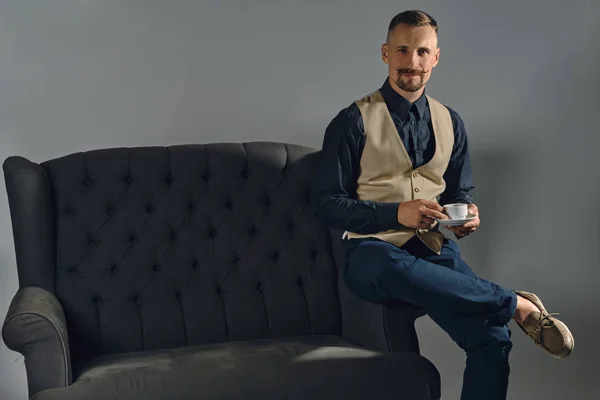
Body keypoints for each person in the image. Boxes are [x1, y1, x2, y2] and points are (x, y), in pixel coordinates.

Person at [310, 9, 574, 400]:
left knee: (492, 337)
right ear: (385, 53)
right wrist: (394, 213)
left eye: (421, 52)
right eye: (402, 50)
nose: (411, 62)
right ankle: (516, 303)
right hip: (372, 253)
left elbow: (458, 192)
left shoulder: (451, 121)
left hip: (434, 251)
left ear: (435, 58)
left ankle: (507, 308)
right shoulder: (352, 121)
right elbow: (325, 204)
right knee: (387, 262)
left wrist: (466, 214)